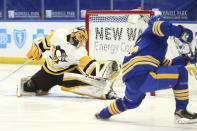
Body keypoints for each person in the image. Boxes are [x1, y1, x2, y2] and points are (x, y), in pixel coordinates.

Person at [95, 15, 197, 124]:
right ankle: (180, 112)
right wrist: (182, 32)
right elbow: (161, 26)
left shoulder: (149, 44)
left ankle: (103, 113)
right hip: (142, 76)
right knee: (181, 72)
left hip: (131, 80)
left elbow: (168, 64)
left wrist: (187, 59)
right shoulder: (152, 31)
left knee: (129, 102)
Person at [16, 27, 121, 99]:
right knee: (28, 87)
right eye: (80, 36)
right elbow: (44, 43)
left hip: (66, 74)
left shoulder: (79, 52)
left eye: (84, 39)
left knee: (88, 87)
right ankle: (35, 81)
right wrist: (37, 48)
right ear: (74, 32)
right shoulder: (58, 34)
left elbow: (90, 65)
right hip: (48, 72)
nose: (81, 40)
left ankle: (106, 90)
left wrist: (106, 67)